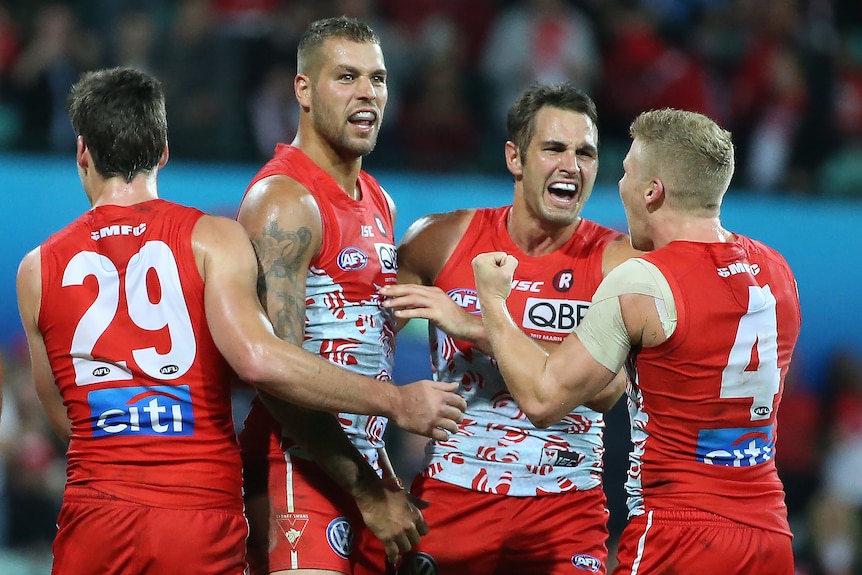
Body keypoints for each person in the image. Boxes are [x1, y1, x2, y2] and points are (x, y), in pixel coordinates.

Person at [14, 66, 465, 575]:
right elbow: (259, 360)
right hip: (196, 512)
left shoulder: (37, 269)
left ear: (82, 152)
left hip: (96, 513)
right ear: (164, 152)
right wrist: (396, 399)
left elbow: (64, 416)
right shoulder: (212, 240)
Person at [472, 108, 801, 574]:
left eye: (625, 172)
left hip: (678, 534)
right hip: (770, 533)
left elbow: (543, 398)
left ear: (652, 191)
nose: (619, 185)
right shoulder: (778, 272)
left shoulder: (642, 281)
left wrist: (492, 300)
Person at [380, 82, 640, 575]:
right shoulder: (438, 240)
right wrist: (378, 480)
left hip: (566, 507)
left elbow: (609, 391)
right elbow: (365, 351)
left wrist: (474, 326)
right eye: (554, 149)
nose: (572, 165)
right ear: (515, 159)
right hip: (452, 497)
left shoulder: (618, 263)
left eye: (585, 152)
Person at [236, 16, 440, 575]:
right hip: (297, 464)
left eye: (378, 79)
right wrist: (371, 493)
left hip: (363, 462)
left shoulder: (380, 200)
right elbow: (276, 373)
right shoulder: (284, 201)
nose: (367, 94)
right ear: (303, 90)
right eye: (346, 77)